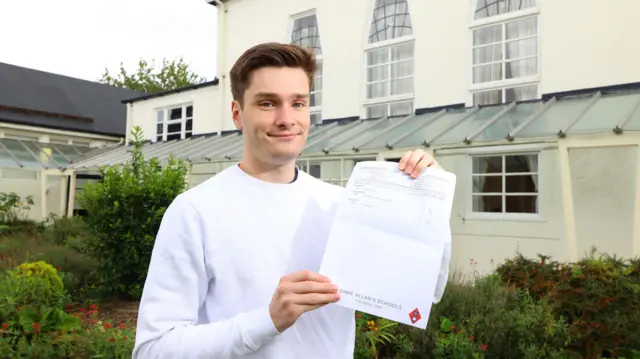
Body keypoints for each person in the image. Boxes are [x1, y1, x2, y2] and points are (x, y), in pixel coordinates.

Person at [132, 42, 451, 359]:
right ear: (237, 114)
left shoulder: (342, 205)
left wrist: (429, 199)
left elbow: (424, 292)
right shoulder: (194, 212)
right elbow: (153, 349)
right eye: (268, 103)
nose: (286, 119)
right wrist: (267, 321)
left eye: (298, 103)